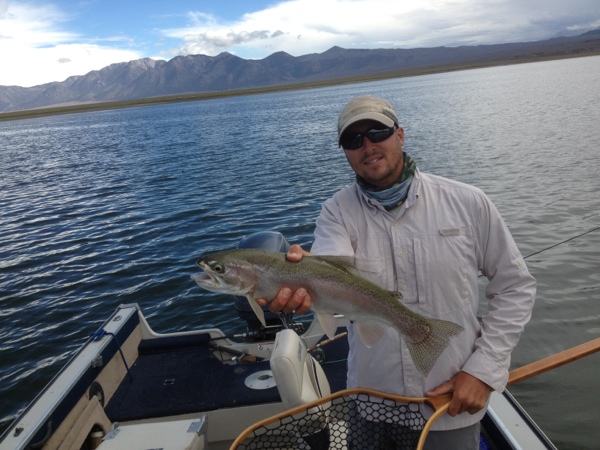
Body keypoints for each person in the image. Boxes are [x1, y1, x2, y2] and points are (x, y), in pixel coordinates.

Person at [259, 96, 536, 449]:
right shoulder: (336, 212)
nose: (367, 146)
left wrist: (483, 371)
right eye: (353, 140)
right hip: (372, 403)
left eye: (377, 132)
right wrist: (299, 276)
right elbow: (330, 267)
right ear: (345, 151)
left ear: (400, 135)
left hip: (447, 402)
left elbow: (516, 287)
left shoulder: (468, 202)